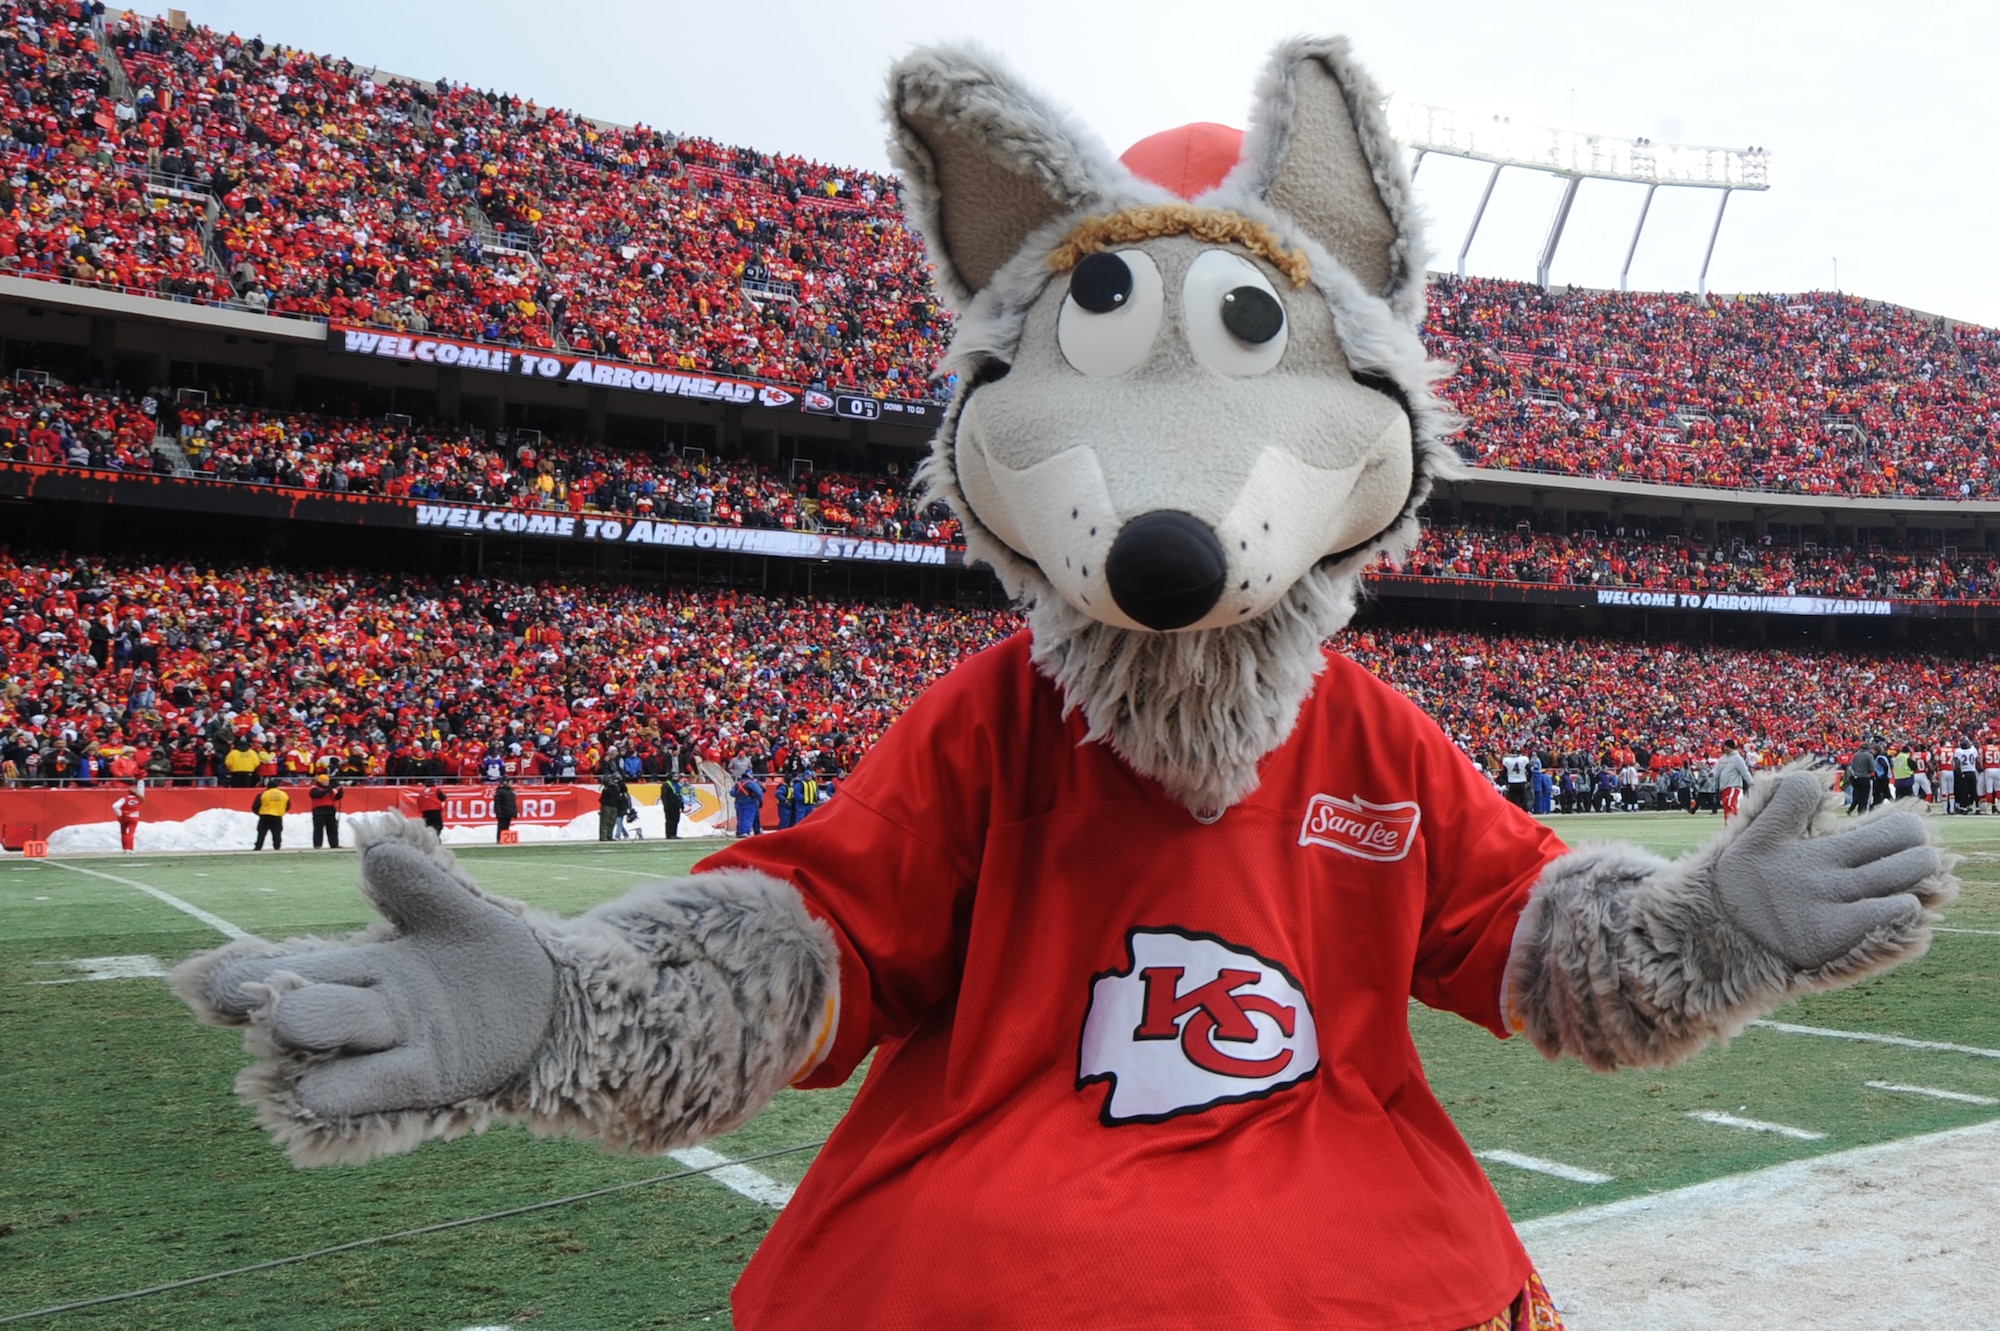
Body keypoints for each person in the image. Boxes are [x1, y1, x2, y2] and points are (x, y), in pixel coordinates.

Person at [1715, 739, 1753, 820]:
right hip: (1724, 787)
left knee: (1730, 804)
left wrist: (1751, 782)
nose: (1725, 748)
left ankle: (1736, 824)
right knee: (1726, 806)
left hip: (1733, 786)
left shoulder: (1737, 758)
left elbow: (1744, 771)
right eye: (1724, 746)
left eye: (1727, 747)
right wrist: (1712, 774)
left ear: (1731, 747)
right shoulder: (1722, 759)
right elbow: (1716, 769)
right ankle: (1729, 827)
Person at [308, 773, 343, 849]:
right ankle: (317, 844)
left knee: (332, 829)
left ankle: (334, 844)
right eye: (324, 781)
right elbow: (317, 795)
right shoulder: (314, 788)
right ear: (320, 782)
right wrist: (327, 790)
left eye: (327, 781)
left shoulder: (331, 790)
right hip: (319, 811)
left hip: (330, 811)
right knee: (318, 829)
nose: (326, 782)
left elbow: (335, 797)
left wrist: (340, 793)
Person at [252, 778, 289, 850]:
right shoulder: (284, 794)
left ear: (267, 787)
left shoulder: (263, 794)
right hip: (277, 816)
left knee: (261, 833)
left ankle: (258, 847)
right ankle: (277, 846)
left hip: (265, 816)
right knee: (277, 833)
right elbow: (288, 806)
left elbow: (255, 806)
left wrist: (259, 813)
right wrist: (281, 812)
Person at [113, 781, 145, 853]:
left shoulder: (124, 798)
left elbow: (114, 806)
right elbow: (141, 789)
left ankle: (125, 848)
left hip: (124, 817)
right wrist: (140, 780)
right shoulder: (140, 798)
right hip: (134, 817)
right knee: (131, 833)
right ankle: (130, 848)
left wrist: (120, 814)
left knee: (124, 833)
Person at [732, 770, 764, 837]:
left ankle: (739, 832)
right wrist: (761, 801)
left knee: (741, 818)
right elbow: (759, 792)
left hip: (738, 803)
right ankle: (746, 832)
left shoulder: (738, 783)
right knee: (748, 818)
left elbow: (732, 793)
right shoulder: (751, 783)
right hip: (750, 802)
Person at [598, 772, 626, 842]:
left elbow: (624, 789)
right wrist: (609, 784)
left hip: (615, 806)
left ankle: (609, 836)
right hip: (607, 805)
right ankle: (603, 836)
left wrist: (620, 782)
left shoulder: (618, 786)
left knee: (612, 822)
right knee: (605, 822)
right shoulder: (608, 786)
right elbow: (607, 793)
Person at [494, 777, 518, 843]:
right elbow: (497, 803)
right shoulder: (500, 791)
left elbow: (513, 803)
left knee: (506, 826)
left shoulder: (511, 791)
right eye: (510, 783)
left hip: (509, 812)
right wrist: (498, 812)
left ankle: (505, 839)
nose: (511, 784)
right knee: (501, 826)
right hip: (503, 812)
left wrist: (515, 811)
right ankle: (499, 839)